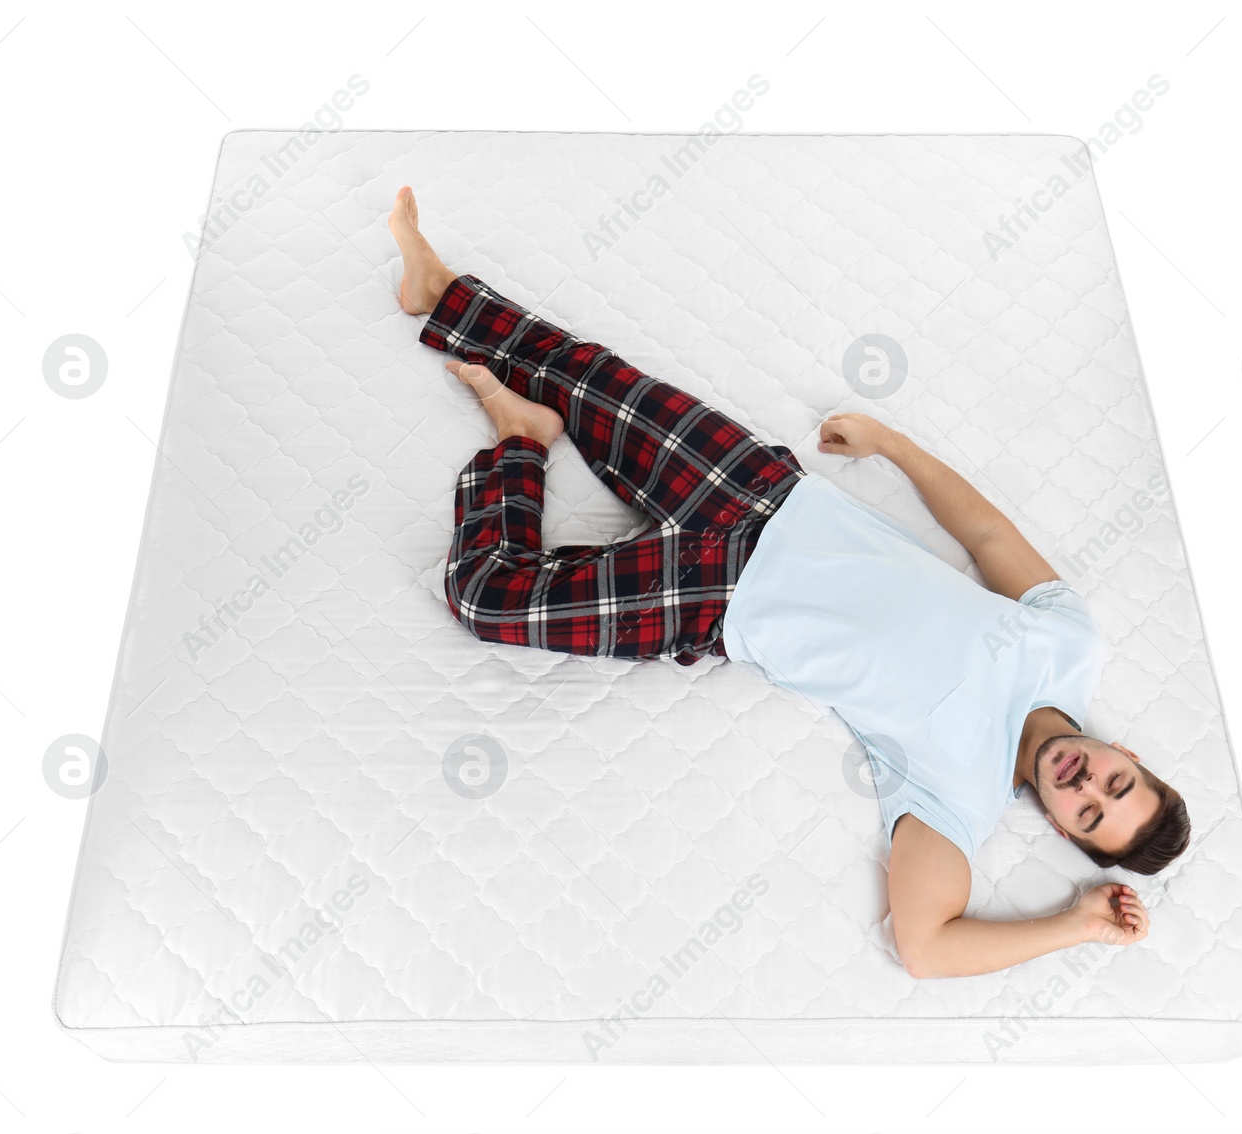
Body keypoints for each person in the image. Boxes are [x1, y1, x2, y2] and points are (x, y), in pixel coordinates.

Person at [389, 185, 1190, 978]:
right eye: (1117, 781)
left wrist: (1078, 923)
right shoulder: (1069, 644)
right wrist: (894, 445)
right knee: (593, 378)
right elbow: (985, 532)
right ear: (1125, 751)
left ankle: (520, 440)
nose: (1087, 784)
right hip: (767, 496)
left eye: (1089, 813)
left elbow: (928, 946)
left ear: (1060, 827)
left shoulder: (959, 799)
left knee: (487, 599)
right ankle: (441, 294)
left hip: (717, 601)